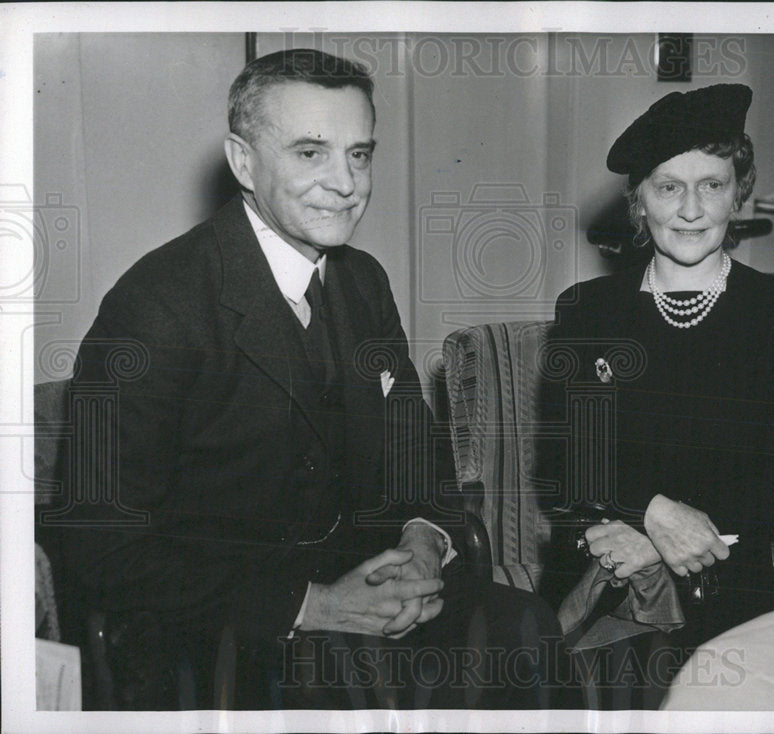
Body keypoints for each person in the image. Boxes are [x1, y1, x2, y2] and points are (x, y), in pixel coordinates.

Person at [62, 49, 573, 710]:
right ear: (244, 162)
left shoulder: (363, 282)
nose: (346, 183)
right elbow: (97, 546)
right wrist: (318, 605)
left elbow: (415, 457)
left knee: (522, 627)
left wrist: (422, 539)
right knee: (353, 687)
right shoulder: (154, 307)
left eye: (359, 154)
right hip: (222, 626)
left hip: (364, 590)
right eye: (311, 153)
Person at [539, 83, 774, 709]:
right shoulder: (588, 311)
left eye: (713, 184)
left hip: (730, 574)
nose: (692, 209)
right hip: (600, 563)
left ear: (739, 192)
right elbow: (565, 466)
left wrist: (666, 536)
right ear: (638, 201)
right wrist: (652, 513)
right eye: (669, 186)